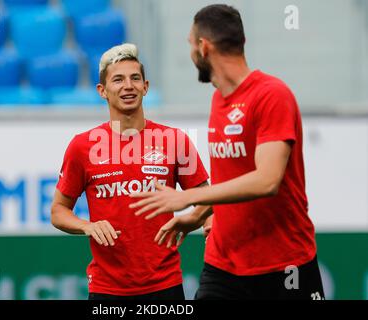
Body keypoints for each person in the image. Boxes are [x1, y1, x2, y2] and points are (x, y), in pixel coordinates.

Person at [129, 4, 325, 300]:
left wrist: (188, 197)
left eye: (190, 45)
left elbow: (266, 181)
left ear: (203, 47)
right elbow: (231, 178)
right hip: (224, 265)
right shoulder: (219, 100)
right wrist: (197, 216)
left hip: (284, 265)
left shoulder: (271, 95)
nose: (191, 54)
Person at [51, 43, 210, 300]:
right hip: (106, 289)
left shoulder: (175, 140)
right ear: (102, 91)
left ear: (145, 87)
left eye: (135, 78)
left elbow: (207, 198)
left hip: (164, 285)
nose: (128, 85)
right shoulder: (82, 145)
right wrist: (87, 226)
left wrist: (197, 220)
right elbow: (58, 211)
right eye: (118, 80)